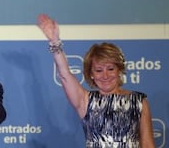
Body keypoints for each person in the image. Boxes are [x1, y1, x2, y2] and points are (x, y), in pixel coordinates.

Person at [36, 14, 155, 147]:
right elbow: (64, 74)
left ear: (119, 70)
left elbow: (148, 144)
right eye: (98, 70)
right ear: (91, 74)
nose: (105, 76)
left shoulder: (139, 101)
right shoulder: (86, 101)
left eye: (110, 69)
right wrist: (54, 41)